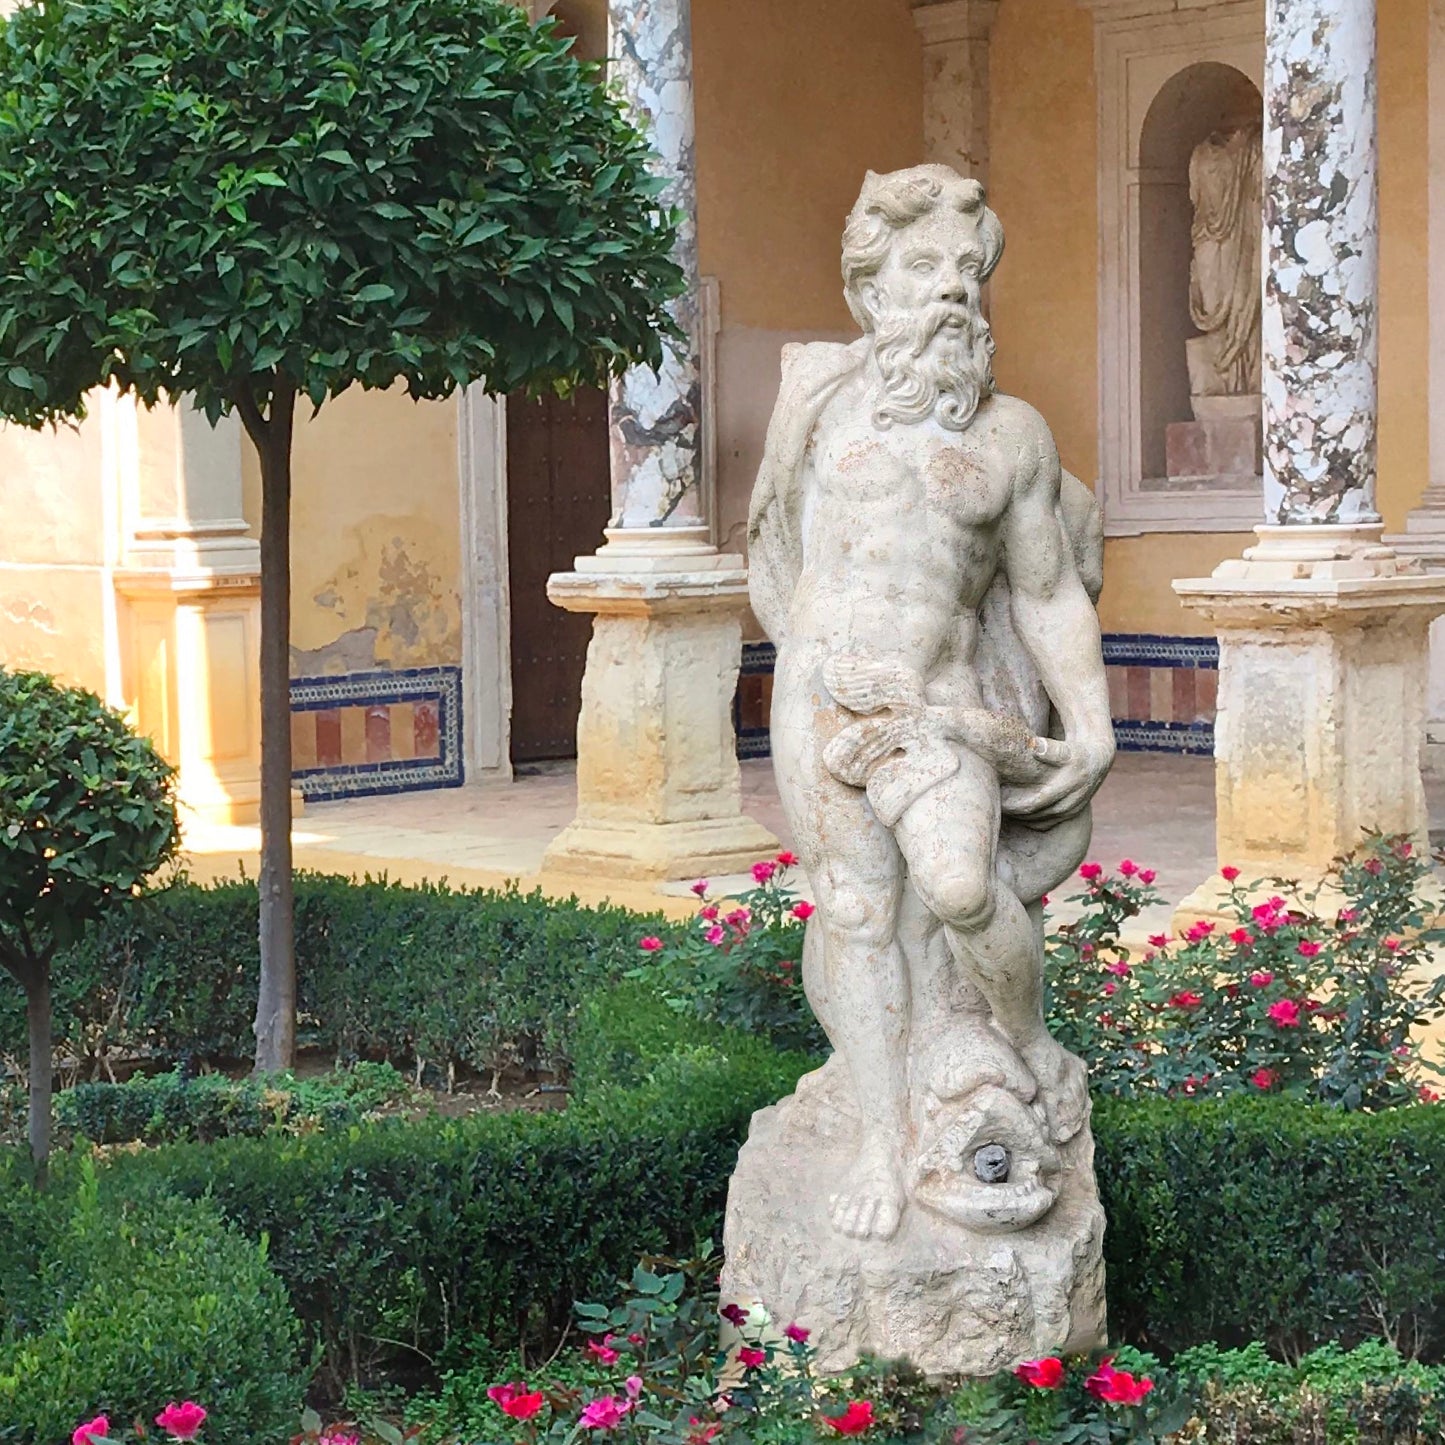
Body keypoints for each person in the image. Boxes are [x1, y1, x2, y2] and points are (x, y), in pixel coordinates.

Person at [748, 166, 1115, 1242]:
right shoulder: (813, 411)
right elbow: (771, 546)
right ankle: (877, 1129)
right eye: (921, 269)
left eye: (966, 271)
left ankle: (1024, 1034)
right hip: (819, 693)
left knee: (959, 884)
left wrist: (1087, 724)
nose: (950, 292)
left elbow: (1046, 591)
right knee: (856, 914)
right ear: (868, 291)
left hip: (939, 702)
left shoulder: (1011, 436)